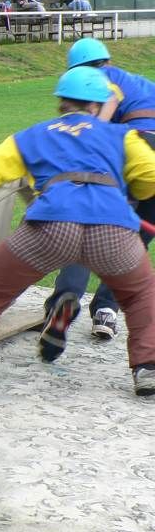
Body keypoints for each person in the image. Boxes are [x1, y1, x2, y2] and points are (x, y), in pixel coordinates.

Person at [0, 67, 155, 397]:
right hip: (113, 230)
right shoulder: (122, 136)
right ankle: (148, 368)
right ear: (97, 105)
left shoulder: (30, 135)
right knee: (140, 294)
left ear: (61, 102)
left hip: (49, 227)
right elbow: (150, 177)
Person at [39, 38, 155, 357]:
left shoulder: (103, 80)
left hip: (137, 148)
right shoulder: (142, 83)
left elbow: (108, 103)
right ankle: (106, 308)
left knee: (88, 225)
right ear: (107, 58)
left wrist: (86, 140)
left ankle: (65, 300)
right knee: (135, 240)